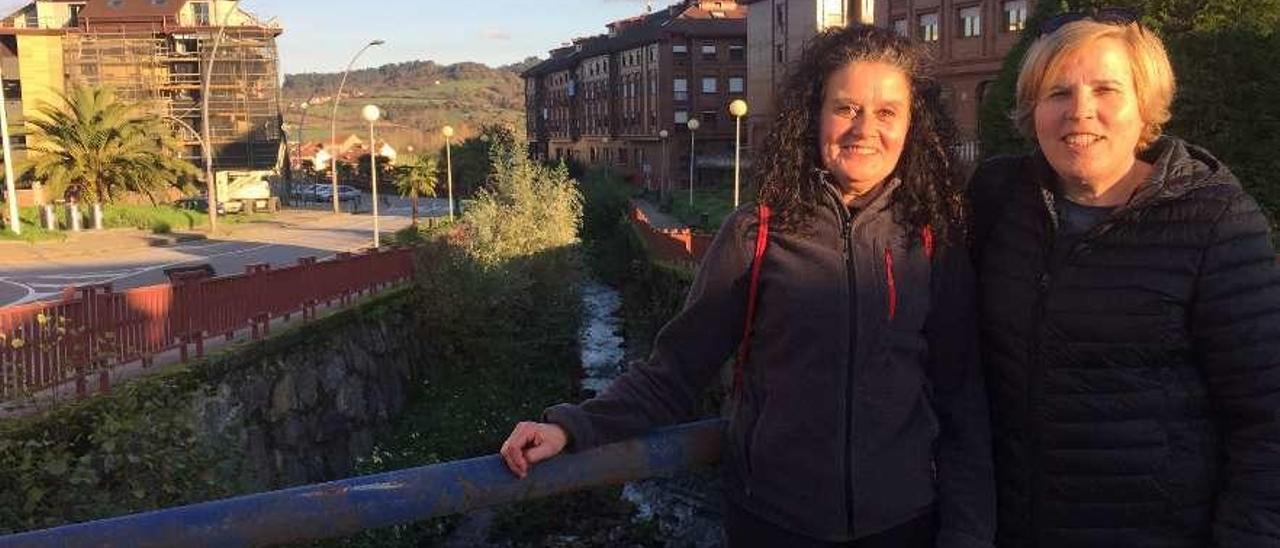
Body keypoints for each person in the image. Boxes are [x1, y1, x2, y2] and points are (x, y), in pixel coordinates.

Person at [501, 25, 994, 547]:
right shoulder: (755, 236)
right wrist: (572, 427)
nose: (864, 129)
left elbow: (962, 401)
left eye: (887, 112)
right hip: (773, 523)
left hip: (903, 524)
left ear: (912, 126)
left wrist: (967, 534)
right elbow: (676, 369)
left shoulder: (932, 242)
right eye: (845, 108)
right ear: (814, 116)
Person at [968, 10, 1280, 547]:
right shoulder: (998, 199)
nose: (1080, 112)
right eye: (1058, 92)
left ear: (1145, 107)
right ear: (1033, 109)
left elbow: (1266, 423)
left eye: (1107, 89)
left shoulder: (1214, 223)